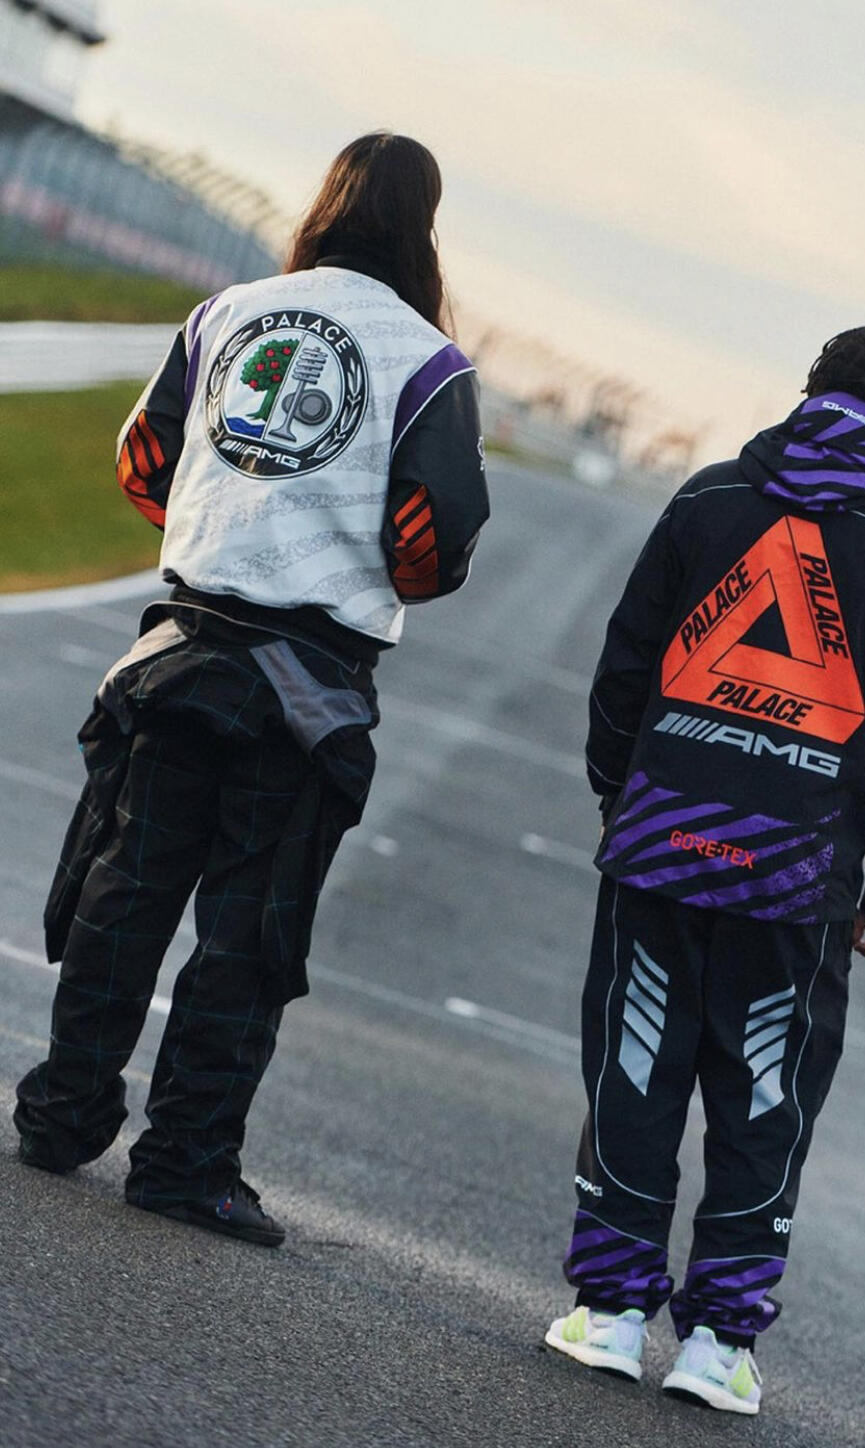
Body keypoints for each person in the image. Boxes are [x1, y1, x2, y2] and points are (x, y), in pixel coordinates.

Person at [13, 131, 490, 1247]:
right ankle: (184, 1165)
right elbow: (436, 541)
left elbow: (143, 461)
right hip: (307, 682)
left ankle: (59, 1115)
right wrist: (337, 557)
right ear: (425, 226)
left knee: (123, 895)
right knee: (248, 938)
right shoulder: (431, 364)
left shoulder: (225, 312)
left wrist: (230, 528)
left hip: (179, 647)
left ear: (326, 203)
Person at [544, 326, 865, 1414]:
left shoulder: (708, 498)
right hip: (797, 879)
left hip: (661, 847)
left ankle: (609, 1313)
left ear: (811, 390)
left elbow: (624, 667)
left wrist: (620, 794)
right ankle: (718, 1344)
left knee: (635, 1071)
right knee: (766, 1100)